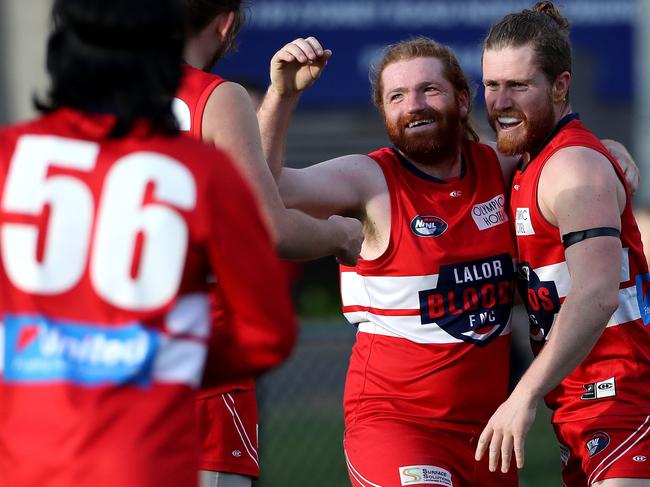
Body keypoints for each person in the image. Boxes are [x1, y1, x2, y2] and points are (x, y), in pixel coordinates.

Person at [0, 0, 296, 486]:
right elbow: (269, 331)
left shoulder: (11, 158)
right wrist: (154, 360)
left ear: (60, 50)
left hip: (32, 449)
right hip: (150, 446)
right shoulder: (199, 169)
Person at [175, 2, 363, 486]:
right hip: (199, 377)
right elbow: (269, 226)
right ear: (225, 23)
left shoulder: (90, 101)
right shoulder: (214, 98)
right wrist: (342, 235)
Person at [475, 3, 650, 486]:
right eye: (491, 85)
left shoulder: (572, 166)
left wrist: (522, 394)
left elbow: (597, 294)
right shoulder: (531, 161)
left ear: (560, 85)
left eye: (518, 85)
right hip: (584, 403)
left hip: (624, 394)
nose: (500, 101)